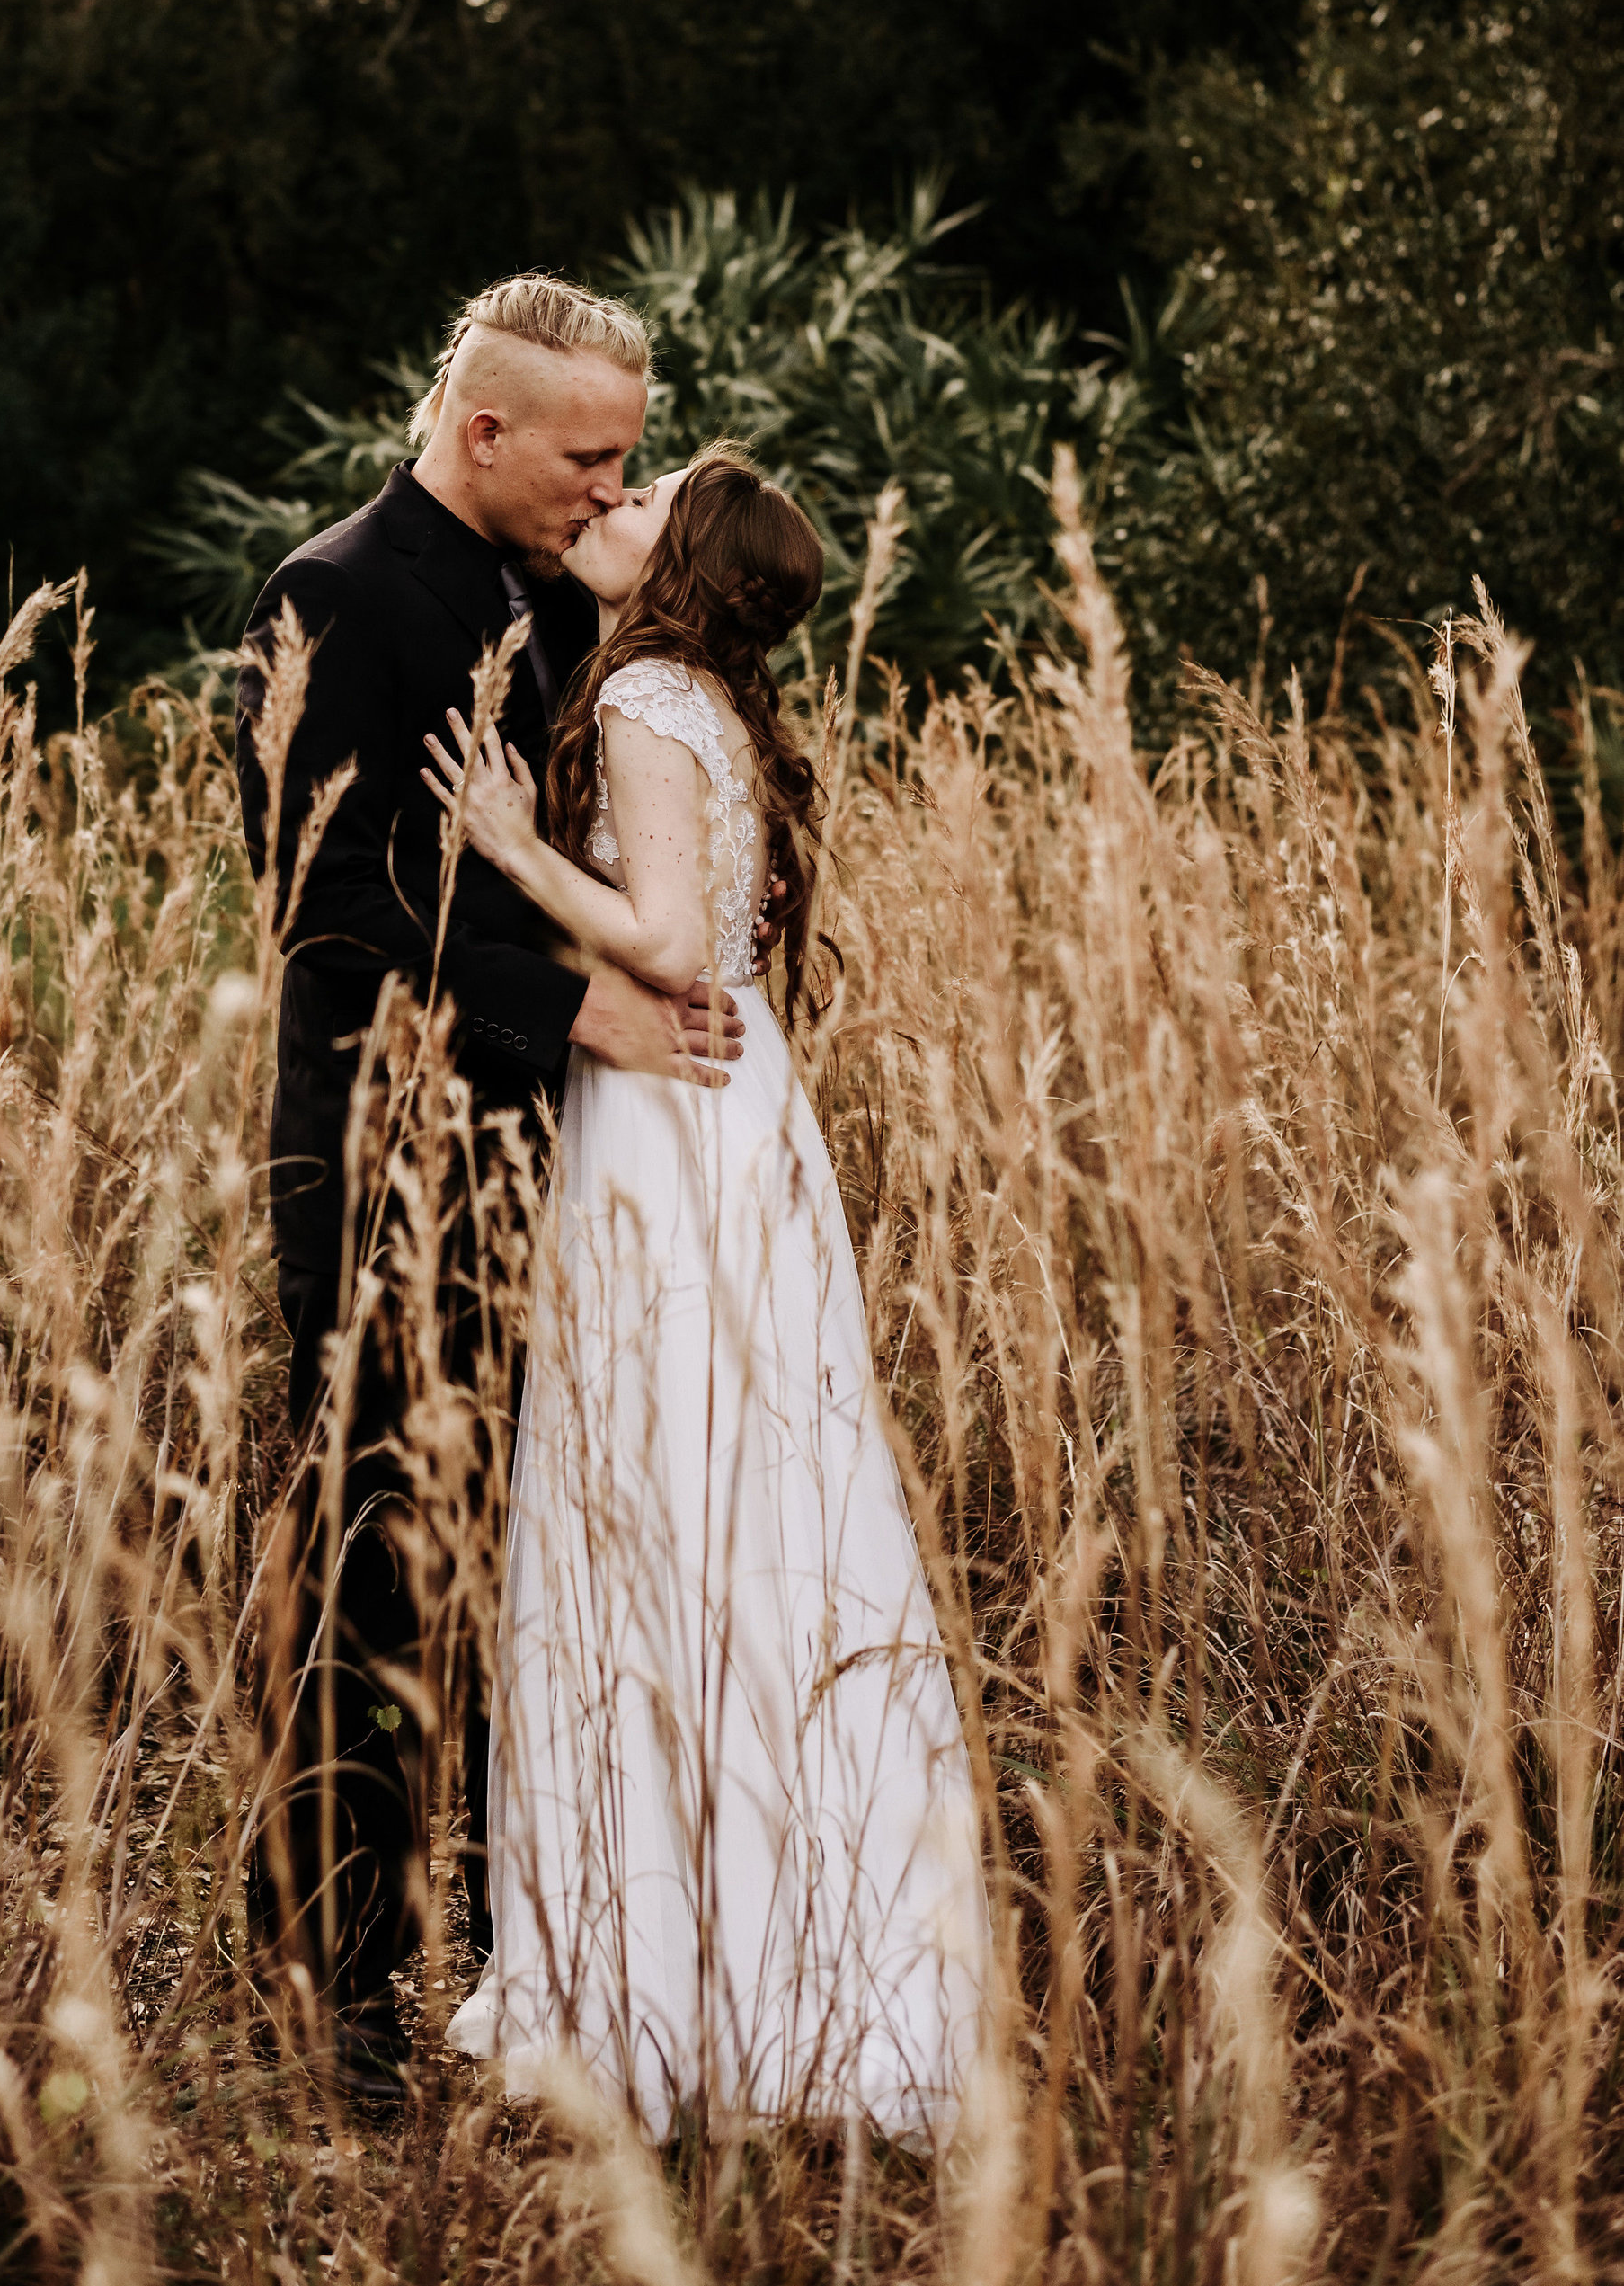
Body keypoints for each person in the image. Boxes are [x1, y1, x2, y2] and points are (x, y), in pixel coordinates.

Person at [426, 448, 989, 2139]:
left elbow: (671, 941)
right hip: (728, 1116)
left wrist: (518, 848)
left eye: (652, 488)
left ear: (687, 562)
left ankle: (676, 1987)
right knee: (757, 1513)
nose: (622, 491)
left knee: (666, 1501)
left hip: (670, 1122)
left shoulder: (655, 694)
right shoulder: (700, 696)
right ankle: (764, 1953)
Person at [235, 277, 747, 2104]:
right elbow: (331, 903)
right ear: (481, 431)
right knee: (383, 1561)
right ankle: (327, 1982)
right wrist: (579, 1002)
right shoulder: (338, 592)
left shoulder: (556, 598)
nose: (616, 494)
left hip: (550, 1148)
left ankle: (519, 1942)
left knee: (523, 1559)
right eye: (590, 460)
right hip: (386, 1146)